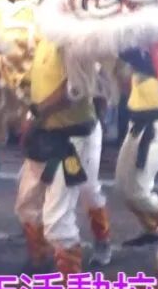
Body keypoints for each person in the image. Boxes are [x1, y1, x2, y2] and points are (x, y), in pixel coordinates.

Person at [13, 38, 111, 274]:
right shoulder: (43, 41)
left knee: (61, 217)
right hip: (44, 136)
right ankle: (40, 258)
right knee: (27, 203)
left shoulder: (75, 40)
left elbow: (74, 89)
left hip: (74, 137)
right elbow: (33, 83)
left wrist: (36, 113)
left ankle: (76, 283)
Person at [114, 52, 158, 249]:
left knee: (138, 191)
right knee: (123, 186)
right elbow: (124, 82)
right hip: (137, 123)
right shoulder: (140, 51)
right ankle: (153, 230)